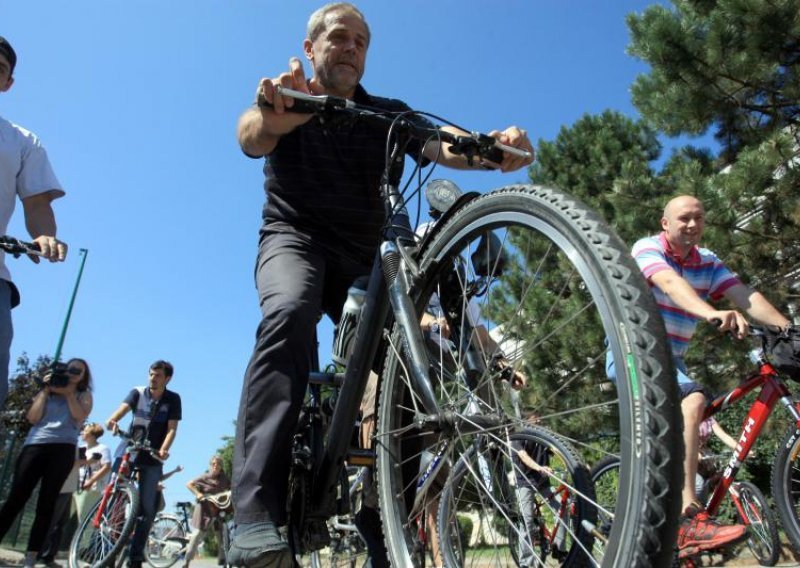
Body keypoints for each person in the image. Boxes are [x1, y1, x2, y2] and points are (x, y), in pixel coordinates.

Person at [229, 3, 534, 567]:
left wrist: (489, 147)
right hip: (294, 240)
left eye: (361, 42)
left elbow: (439, 141)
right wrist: (275, 117)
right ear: (311, 45)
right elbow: (252, 133)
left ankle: (385, 518)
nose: (351, 49)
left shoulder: (386, 116)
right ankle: (252, 515)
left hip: (365, 261)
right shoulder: (291, 98)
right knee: (290, 314)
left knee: (416, 369)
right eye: (340, 38)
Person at [627, 194, 791, 558]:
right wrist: (711, 313)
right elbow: (669, 284)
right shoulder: (647, 248)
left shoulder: (709, 262)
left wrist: (788, 329)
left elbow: (745, 296)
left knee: (696, 411)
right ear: (664, 222)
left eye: (699, 218)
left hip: (675, 362)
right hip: (633, 354)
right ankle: (689, 518)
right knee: (694, 399)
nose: (692, 224)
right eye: (683, 218)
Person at [0, 35, 69, 408]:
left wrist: (45, 236)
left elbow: (37, 203)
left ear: (7, 83)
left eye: (0, 68)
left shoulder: (22, 141)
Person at [0, 359, 92, 568]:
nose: (73, 373)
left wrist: (69, 393)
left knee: (46, 503)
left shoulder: (82, 395)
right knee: (16, 497)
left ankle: (31, 555)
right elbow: (32, 418)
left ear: (84, 376)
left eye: (78, 371)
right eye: (70, 370)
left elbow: (79, 416)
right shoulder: (48, 392)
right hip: (36, 445)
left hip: (63, 448)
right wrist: (44, 390)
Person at [106, 360, 182, 568]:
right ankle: (104, 551)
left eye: (157, 375)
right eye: (150, 374)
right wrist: (113, 421)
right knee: (114, 501)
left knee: (147, 510)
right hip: (129, 451)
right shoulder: (137, 393)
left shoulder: (173, 399)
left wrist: (164, 449)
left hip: (152, 456)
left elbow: (172, 428)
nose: (152, 378)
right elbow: (120, 411)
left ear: (167, 378)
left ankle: (135, 558)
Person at [183, 456, 231, 568]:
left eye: (218, 463)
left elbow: (230, 487)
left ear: (221, 466)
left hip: (218, 509)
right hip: (204, 510)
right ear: (210, 465)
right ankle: (187, 562)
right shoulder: (205, 477)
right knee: (196, 536)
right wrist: (198, 494)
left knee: (222, 536)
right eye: (214, 463)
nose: (216, 465)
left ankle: (223, 560)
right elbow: (189, 484)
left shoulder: (224, 478)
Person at [37, 446, 81, 568]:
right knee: (52, 520)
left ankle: (49, 555)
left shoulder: (73, 444)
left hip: (68, 486)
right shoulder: (67, 444)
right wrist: (88, 461)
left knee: (59, 523)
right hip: (61, 485)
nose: (83, 431)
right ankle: (40, 554)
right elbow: (70, 462)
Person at [73, 422, 112, 522]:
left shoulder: (102, 448)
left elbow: (106, 467)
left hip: (90, 489)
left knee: (83, 519)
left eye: (85, 431)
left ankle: (84, 538)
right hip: (74, 486)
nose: (82, 433)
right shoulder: (82, 448)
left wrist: (90, 481)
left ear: (91, 434)